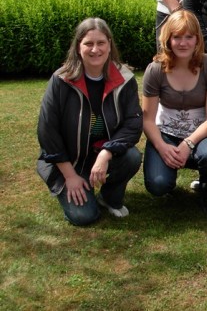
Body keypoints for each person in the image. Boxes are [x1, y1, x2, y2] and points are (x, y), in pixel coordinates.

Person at [36, 18, 143, 226]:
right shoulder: (61, 80)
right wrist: (70, 175)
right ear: (78, 47)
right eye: (88, 43)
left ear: (109, 45)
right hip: (69, 162)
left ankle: (109, 197)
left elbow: (133, 123)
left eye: (101, 43)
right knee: (85, 216)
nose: (95, 49)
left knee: (131, 156)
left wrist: (107, 152)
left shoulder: (125, 79)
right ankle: (78, 189)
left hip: (101, 155)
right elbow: (47, 130)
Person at [142, 10, 207, 211]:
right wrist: (162, 147)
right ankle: (167, 180)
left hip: (201, 135)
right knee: (157, 185)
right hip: (166, 134)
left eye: (189, 37)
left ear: (197, 39)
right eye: (177, 37)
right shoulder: (155, 69)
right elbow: (147, 120)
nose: (183, 43)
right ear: (168, 39)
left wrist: (188, 144)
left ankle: (206, 185)